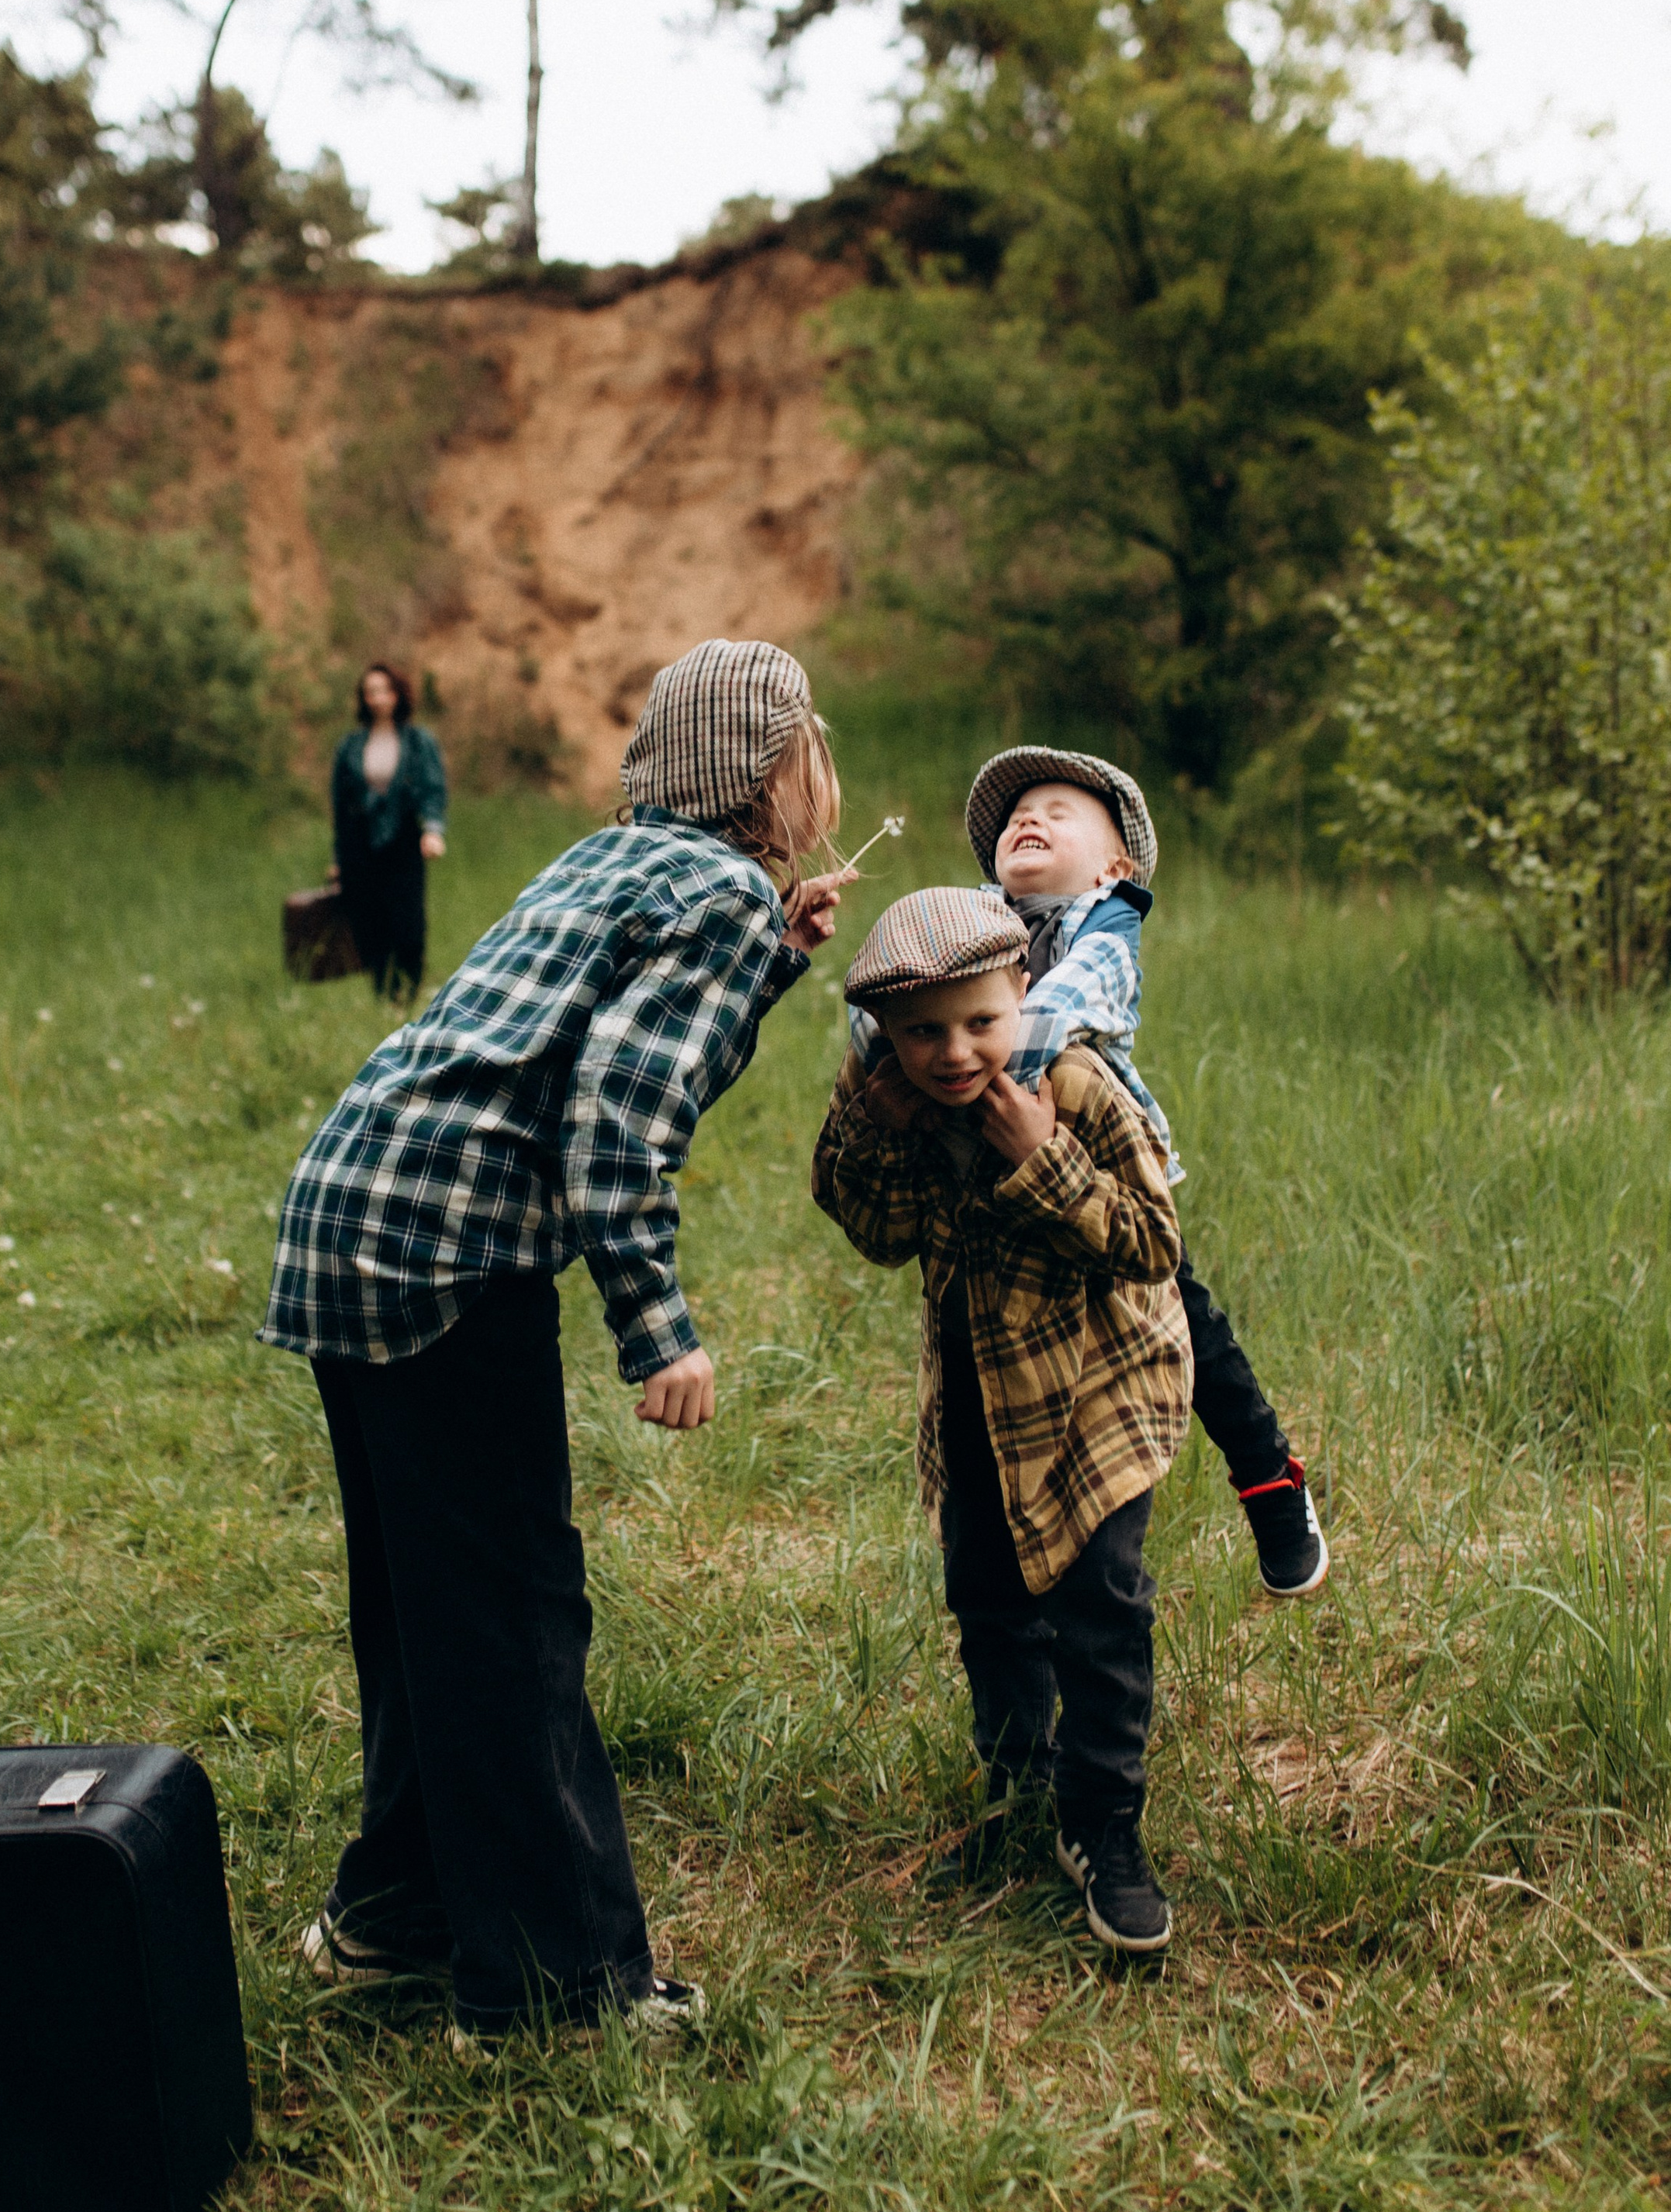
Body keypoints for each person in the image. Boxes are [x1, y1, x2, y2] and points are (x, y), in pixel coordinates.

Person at [260, 638, 853, 2045]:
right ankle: (554, 1992)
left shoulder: (607, 859)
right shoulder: (715, 892)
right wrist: (659, 1329)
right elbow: (615, 1124)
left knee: (424, 1603)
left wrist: (763, 961)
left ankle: (396, 1913)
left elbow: (581, 1039)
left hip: (352, 1205)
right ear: (773, 771)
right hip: (448, 1242)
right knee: (515, 1611)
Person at [813, 886, 1193, 1953]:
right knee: (986, 1589)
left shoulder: (1073, 1082)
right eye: (922, 1033)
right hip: (984, 1384)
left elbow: (1152, 1243)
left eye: (979, 1022)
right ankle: (1018, 1788)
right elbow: (876, 1231)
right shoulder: (895, 1099)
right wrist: (869, 1126)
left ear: (1021, 990)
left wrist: (1042, 1156)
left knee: (1102, 1602)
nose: (953, 1054)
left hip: (1101, 1389)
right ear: (885, 1035)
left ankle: (1104, 1829)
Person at [958, 749, 1327, 1599]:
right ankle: (1033, 1557)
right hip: (999, 1174)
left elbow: (1058, 1009)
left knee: (1180, 1319)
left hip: (1108, 1173)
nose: (1029, 819)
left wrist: (969, 1055)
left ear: (1114, 863)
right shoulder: (975, 916)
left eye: (1058, 811)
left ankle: (1270, 1481)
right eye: (1017, 815)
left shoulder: (1110, 919)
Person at [328, 662, 447, 1001]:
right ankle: (384, 993)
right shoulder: (350, 745)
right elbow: (340, 805)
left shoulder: (418, 741)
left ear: (398, 694)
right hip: (359, 845)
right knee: (369, 921)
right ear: (363, 699)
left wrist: (433, 830)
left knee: (408, 921)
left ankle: (410, 991)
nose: (378, 698)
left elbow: (432, 789)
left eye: (385, 691)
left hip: (404, 840)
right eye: (371, 692)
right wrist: (338, 858)